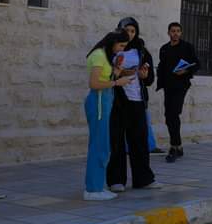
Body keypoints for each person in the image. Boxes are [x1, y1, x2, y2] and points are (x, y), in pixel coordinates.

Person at [107, 17, 159, 191]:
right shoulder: (112, 49)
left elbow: (150, 79)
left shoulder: (142, 51)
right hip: (117, 102)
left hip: (137, 102)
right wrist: (118, 73)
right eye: (126, 30)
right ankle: (116, 180)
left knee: (139, 142)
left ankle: (143, 179)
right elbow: (105, 75)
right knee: (117, 142)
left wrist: (145, 76)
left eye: (132, 31)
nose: (129, 34)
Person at [84, 32, 134, 201]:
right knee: (98, 146)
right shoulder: (99, 55)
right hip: (98, 101)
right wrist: (117, 82)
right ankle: (92, 189)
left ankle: (97, 186)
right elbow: (94, 83)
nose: (122, 49)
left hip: (104, 101)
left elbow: (105, 77)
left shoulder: (105, 55)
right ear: (113, 42)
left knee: (103, 145)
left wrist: (117, 72)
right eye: (121, 46)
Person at [156, 21, 199, 163]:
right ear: (168, 33)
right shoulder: (164, 49)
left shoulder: (187, 47)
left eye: (178, 31)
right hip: (168, 86)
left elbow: (196, 64)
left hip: (181, 86)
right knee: (168, 116)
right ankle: (178, 146)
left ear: (181, 33)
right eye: (173, 31)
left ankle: (174, 147)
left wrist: (185, 71)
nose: (175, 33)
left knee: (174, 114)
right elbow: (162, 66)